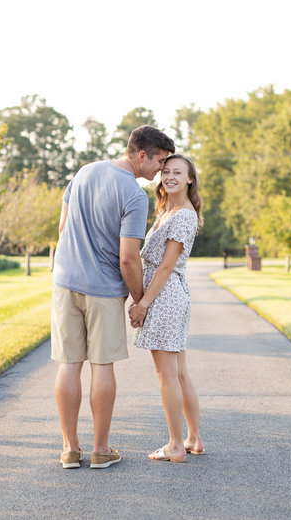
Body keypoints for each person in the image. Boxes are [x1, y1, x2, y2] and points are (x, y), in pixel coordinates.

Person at [51, 125, 175, 469]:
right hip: (103, 289)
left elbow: (62, 228)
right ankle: (101, 450)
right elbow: (127, 258)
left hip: (64, 282)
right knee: (101, 366)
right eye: (159, 162)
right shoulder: (135, 196)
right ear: (141, 156)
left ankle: (69, 449)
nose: (160, 171)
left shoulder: (84, 171)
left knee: (69, 364)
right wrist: (139, 300)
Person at [128, 154, 205, 463]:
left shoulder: (183, 215)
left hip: (165, 296)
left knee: (167, 375)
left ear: (189, 179)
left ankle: (175, 445)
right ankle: (193, 439)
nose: (170, 176)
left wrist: (143, 303)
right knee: (179, 372)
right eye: (166, 171)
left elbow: (165, 266)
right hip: (170, 295)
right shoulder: (168, 211)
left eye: (178, 172)